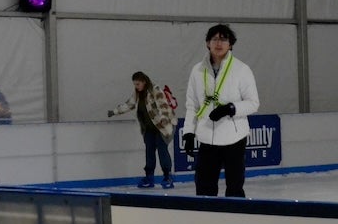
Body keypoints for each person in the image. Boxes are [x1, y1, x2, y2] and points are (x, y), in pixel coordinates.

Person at [183, 23, 260, 197]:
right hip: (207, 138)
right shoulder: (197, 70)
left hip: (234, 139)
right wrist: (188, 133)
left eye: (224, 39)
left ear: (230, 44)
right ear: (207, 43)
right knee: (204, 188)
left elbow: (253, 103)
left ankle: (235, 214)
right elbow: (192, 105)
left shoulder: (241, 69)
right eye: (214, 39)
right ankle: (208, 215)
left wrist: (230, 108)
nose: (219, 43)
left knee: (234, 188)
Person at [108, 71, 177, 189]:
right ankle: (149, 177)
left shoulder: (155, 90)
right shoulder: (138, 93)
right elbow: (129, 104)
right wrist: (114, 112)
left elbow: (163, 106)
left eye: (138, 84)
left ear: (144, 82)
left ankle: (167, 176)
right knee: (149, 151)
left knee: (162, 149)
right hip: (149, 128)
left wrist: (164, 119)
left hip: (162, 126)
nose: (136, 87)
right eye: (134, 84)